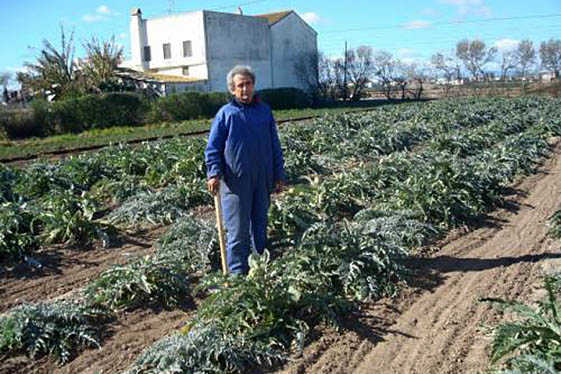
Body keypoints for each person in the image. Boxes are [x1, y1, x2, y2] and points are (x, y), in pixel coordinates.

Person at [205, 65, 285, 275]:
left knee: (260, 227)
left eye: (248, 84)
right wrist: (214, 173)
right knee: (238, 232)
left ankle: (259, 268)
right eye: (240, 85)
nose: (245, 89)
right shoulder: (226, 115)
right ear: (233, 89)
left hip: (262, 180)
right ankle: (237, 275)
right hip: (235, 183)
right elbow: (213, 147)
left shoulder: (264, 112)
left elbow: (274, 145)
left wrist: (278, 174)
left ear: (254, 86)